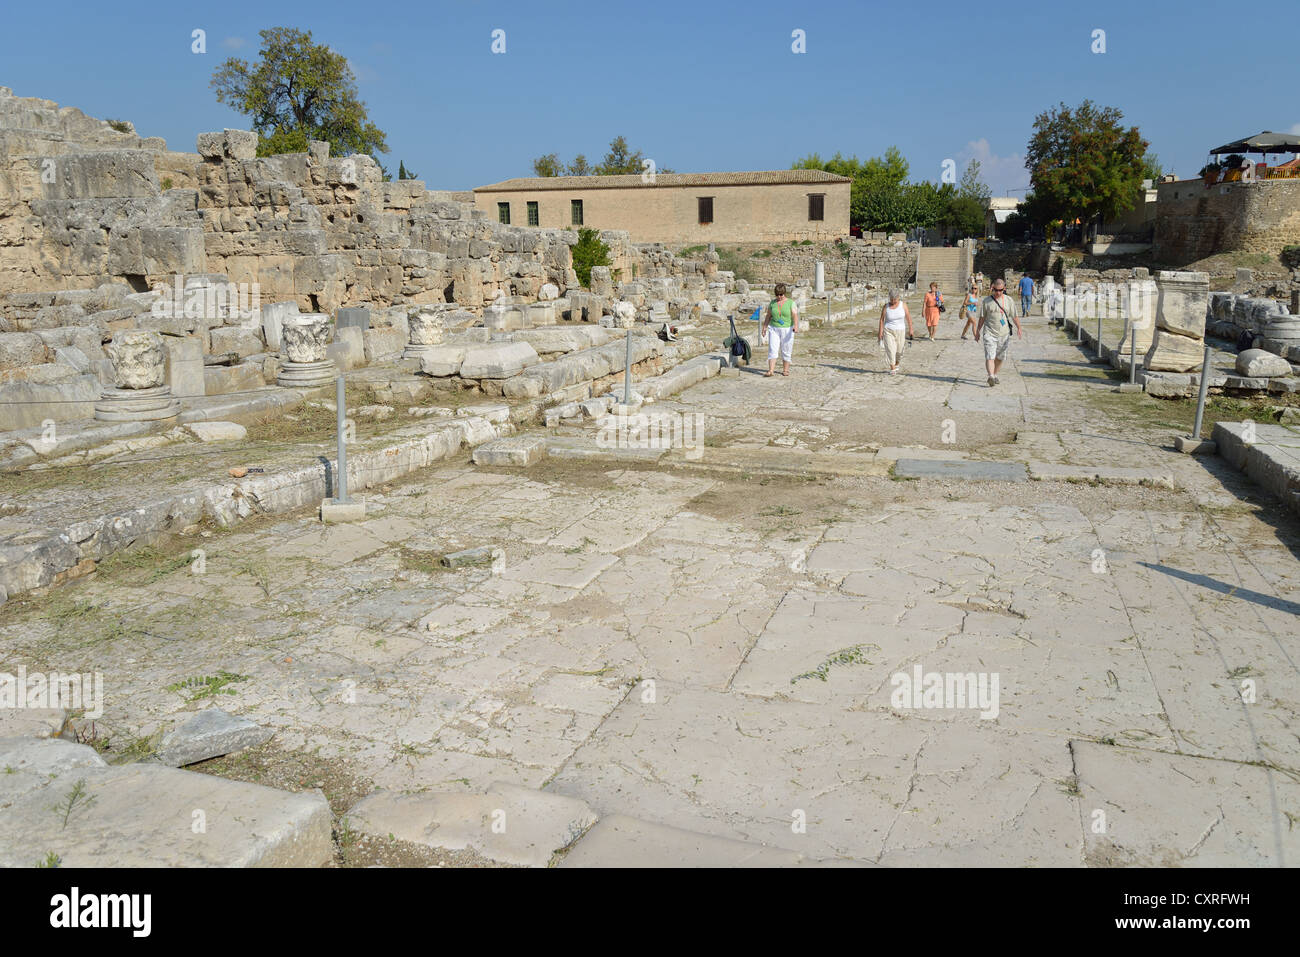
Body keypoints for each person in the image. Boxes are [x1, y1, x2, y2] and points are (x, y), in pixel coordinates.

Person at [976, 278, 1022, 386]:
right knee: (990, 355)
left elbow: (1014, 316)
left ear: (1004, 288)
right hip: (989, 332)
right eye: (996, 290)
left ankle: (995, 374)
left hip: (1004, 333)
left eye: (1000, 290)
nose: (998, 292)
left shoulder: (1009, 300)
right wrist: (978, 330)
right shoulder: (987, 301)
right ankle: (991, 376)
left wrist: (1019, 327)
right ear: (992, 288)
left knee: (1000, 357)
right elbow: (982, 317)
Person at [761, 282, 801, 377]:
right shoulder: (773, 303)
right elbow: (768, 315)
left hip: (787, 329)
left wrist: (796, 326)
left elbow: (795, 315)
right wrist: (764, 327)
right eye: (777, 295)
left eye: (781, 294)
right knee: (772, 348)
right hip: (774, 328)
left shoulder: (791, 303)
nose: (779, 297)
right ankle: (771, 370)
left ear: (784, 293)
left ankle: (785, 370)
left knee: (786, 348)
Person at [878, 288, 914, 375]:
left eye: (895, 299)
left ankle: (897, 363)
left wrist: (911, 329)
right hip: (888, 330)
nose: (893, 301)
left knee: (899, 351)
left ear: (898, 297)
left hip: (901, 331)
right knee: (890, 349)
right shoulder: (886, 307)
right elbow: (882, 320)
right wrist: (880, 332)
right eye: (891, 299)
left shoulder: (903, 305)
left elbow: (908, 317)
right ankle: (892, 367)